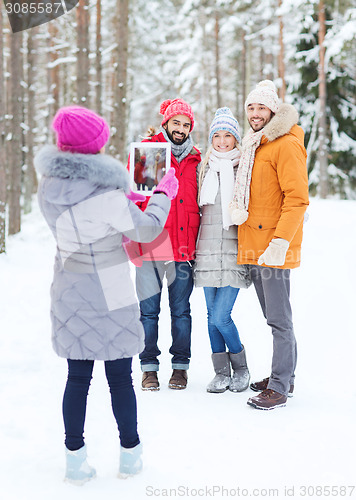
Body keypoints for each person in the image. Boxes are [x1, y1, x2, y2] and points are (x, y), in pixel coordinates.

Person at [34, 106, 178, 484]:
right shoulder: (110, 192)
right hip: (110, 287)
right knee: (119, 377)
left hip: (69, 285)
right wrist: (162, 193)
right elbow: (147, 230)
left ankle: (74, 461)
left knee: (77, 377)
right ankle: (130, 456)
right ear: (94, 145)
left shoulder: (47, 184)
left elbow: (86, 223)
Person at [229, 80, 309, 410]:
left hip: (273, 247)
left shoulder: (285, 144)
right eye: (251, 107)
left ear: (273, 109)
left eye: (262, 107)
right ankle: (284, 376)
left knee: (279, 320)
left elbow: (298, 199)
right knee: (273, 318)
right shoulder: (255, 144)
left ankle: (279, 386)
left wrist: (280, 242)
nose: (256, 112)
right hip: (256, 245)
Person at [134, 98, 201, 391]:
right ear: (166, 123)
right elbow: (136, 198)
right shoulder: (149, 151)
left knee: (181, 312)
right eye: (176, 122)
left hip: (183, 248)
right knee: (148, 312)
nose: (181, 129)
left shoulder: (197, 159)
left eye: (186, 125)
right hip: (151, 245)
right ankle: (149, 368)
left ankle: (180, 368)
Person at [194, 108, 252, 393]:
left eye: (227, 135)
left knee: (221, 315)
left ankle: (241, 367)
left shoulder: (244, 168)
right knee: (209, 316)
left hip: (234, 250)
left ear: (236, 138)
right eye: (217, 135)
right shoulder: (204, 167)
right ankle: (221, 373)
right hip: (205, 249)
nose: (222, 141)